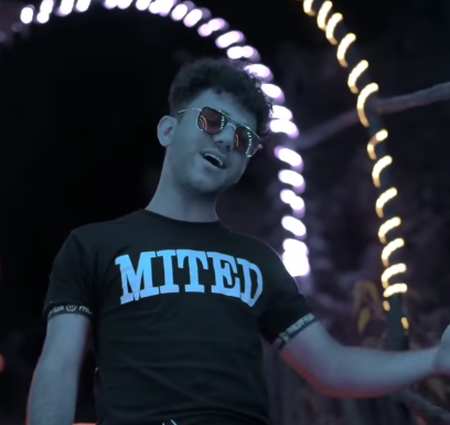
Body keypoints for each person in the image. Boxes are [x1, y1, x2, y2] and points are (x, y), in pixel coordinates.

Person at [27, 57, 447, 425]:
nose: (227, 139)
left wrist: (434, 359)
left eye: (243, 139)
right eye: (212, 121)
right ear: (168, 130)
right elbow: (59, 366)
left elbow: (330, 366)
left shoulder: (259, 261)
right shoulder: (93, 246)